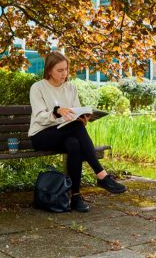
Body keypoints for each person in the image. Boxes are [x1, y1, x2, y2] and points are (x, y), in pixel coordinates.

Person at [28, 51, 126, 212]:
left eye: (66, 69)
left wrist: (83, 119)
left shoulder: (70, 88)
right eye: (59, 70)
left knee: (74, 143)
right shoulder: (38, 88)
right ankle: (102, 175)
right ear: (49, 70)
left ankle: (75, 197)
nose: (64, 74)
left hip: (67, 132)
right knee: (75, 129)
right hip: (41, 135)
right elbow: (39, 117)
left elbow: (75, 113)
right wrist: (56, 111)